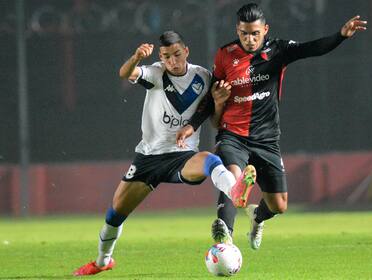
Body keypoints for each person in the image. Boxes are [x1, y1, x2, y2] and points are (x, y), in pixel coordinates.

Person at [176, 3, 367, 249]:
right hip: (233, 135)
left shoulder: (278, 50)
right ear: (237, 30)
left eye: (255, 33)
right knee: (232, 178)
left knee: (279, 205)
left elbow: (312, 49)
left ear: (265, 30)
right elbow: (212, 98)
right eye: (244, 33)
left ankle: (257, 217)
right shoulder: (225, 55)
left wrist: (340, 36)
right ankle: (225, 241)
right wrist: (192, 125)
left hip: (266, 139)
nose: (250, 39)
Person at [73, 30, 257, 276]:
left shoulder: (202, 76)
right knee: (116, 212)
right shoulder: (155, 73)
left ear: (186, 51)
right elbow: (125, 73)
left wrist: (211, 109)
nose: (173, 61)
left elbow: (211, 114)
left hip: (182, 156)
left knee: (210, 160)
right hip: (149, 157)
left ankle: (234, 190)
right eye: (167, 56)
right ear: (161, 56)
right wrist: (137, 57)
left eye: (177, 54)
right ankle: (103, 260)